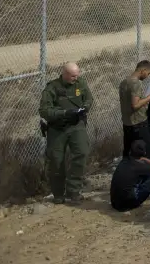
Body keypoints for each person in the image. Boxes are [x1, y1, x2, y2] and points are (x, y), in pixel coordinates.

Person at [38, 61, 93, 204]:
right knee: (56, 161)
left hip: (76, 126)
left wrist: (85, 107)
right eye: (73, 76)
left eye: (77, 75)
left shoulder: (80, 83)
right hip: (58, 129)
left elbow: (88, 98)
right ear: (65, 74)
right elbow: (44, 111)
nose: (76, 78)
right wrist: (64, 113)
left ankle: (73, 190)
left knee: (82, 152)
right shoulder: (52, 88)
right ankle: (58, 193)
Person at [119, 60, 150, 160]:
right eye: (148, 73)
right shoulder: (136, 83)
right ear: (143, 70)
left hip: (127, 123)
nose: (148, 76)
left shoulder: (124, 82)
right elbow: (135, 105)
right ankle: (146, 173)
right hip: (139, 124)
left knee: (128, 151)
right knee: (147, 151)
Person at [110, 139, 150, 211]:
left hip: (115, 203)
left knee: (143, 176)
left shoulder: (125, 161)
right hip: (128, 204)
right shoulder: (139, 166)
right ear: (144, 152)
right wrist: (147, 160)